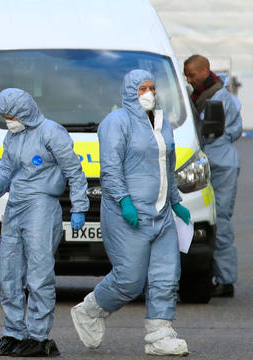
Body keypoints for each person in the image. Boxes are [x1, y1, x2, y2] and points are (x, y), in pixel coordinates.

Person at [70, 70, 190, 356]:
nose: (149, 94)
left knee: (166, 276)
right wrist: (124, 201)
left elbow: (167, 166)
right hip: (128, 213)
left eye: (151, 88)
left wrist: (175, 201)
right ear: (128, 92)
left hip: (160, 214)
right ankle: (91, 310)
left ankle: (160, 334)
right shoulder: (116, 123)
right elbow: (109, 169)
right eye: (142, 89)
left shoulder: (162, 123)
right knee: (129, 278)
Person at [0, 88, 89, 357]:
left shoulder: (51, 133)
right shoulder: (12, 136)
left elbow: (74, 171)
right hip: (16, 206)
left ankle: (38, 335)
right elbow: (5, 173)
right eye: (4, 117)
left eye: (10, 115)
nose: (8, 121)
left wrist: (79, 206)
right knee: (9, 272)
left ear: (24, 111)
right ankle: (14, 332)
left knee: (38, 274)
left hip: (42, 206)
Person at [184, 55, 242, 297]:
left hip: (221, 164)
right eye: (186, 75)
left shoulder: (222, 99)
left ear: (205, 71)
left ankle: (225, 280)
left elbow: (233, 130)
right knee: (202, 219)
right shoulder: (196, 96)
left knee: (221, 219)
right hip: (205, 162)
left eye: (192, 75)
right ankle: (206, 275)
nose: (189, 79)